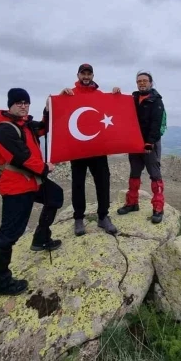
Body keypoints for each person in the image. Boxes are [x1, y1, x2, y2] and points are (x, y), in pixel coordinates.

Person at [0, 87, 64, 296]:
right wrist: (44, 167)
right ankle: (1, 282)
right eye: (19, 102)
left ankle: (41, 238)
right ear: (10, 105)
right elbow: (20, 157)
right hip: (16, 188)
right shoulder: (4, 129)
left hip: (32, 182)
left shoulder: (25, 124)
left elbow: (43, 128)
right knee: (9, 234)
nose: (23, 105)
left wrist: (48, 110)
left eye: (26, 102)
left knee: (55, 196)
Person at [60, 63, 120, 236]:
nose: (86, 77)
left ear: (93, 76)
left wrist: (116, 96)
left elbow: (114, 110)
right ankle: (79, 218)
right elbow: (57, 114)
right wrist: (60, 97)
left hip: (98, 149)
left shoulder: (100, 95)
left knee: (103, 181)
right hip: (77, 149)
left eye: (89, 74)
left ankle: (103, 216)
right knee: (77, 183)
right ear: (78, 75)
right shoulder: (70, 94)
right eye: (83, 74)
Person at [117, 70, 166, 223]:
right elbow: (119, 109)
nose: (142, 83)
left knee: (155, 176)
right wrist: (116, 95)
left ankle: (158, 208)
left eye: (145, 80)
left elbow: (156, 123)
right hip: (135, 143)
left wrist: (149, 143)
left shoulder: (156, 100)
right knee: (134, 174)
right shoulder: (133, 98)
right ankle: (132, 203)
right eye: (139, 81)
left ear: (151, 83)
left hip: (149, 144)